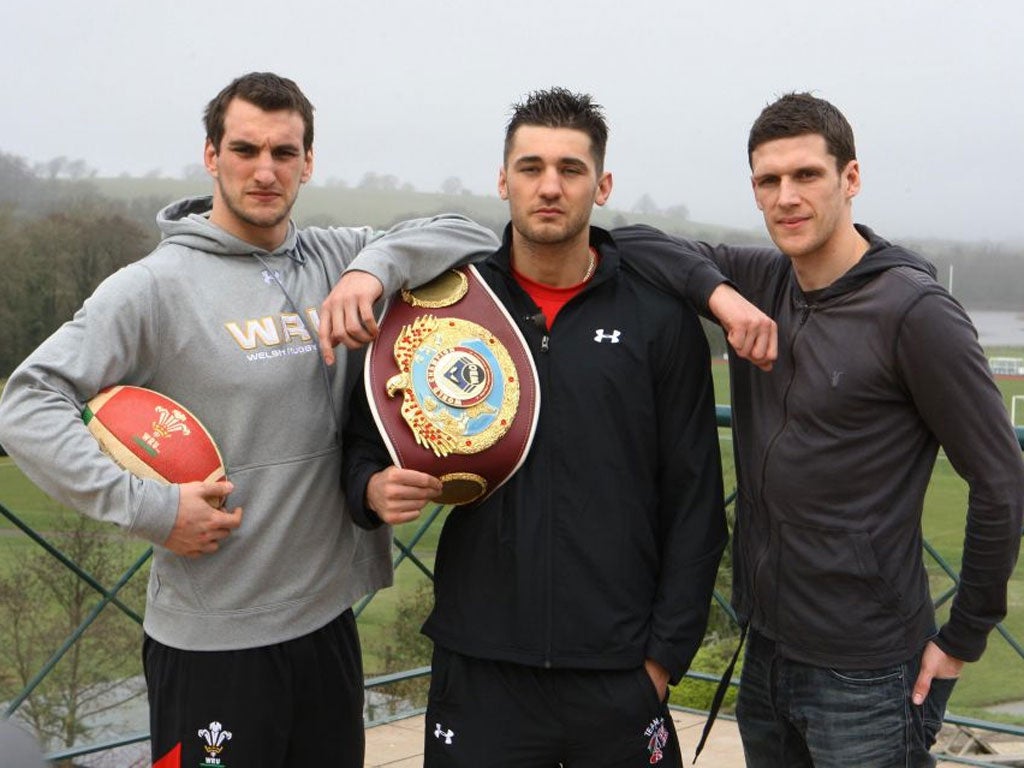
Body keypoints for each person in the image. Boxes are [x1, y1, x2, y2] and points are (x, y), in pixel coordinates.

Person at [0, 72, 498, 767]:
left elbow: (467, 232)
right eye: (244, 149)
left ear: (308, 163)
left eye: (284, 153)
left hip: (327, 623)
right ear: (211, 157)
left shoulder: (333, 255)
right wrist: (148, 507)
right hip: (213, 643)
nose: (265, 171)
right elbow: (26, 402)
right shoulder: (154, 287)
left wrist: (372, 271)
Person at [625, 92, 1024, 767]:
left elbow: (1001, 478)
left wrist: (965, 636)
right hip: (768, 649)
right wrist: (719, 296)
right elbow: (631, 243)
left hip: (867, 669)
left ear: (851, 179)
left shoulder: (915, 313)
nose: (786, 196)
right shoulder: (760, 278)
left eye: (806, 175)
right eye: (768, 181)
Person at [343, 87, 728, 767]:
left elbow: (696, 502)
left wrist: (662, 661)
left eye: (571, 169)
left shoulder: (658, 320)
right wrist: (371, 489)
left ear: (601, 184)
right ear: (503, 180)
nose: (549, 186)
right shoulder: (445, 304)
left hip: (619, 671)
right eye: (530, 167)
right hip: (481, 662)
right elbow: (363, 440)